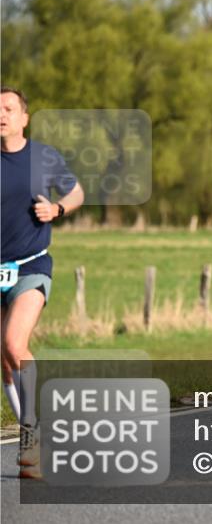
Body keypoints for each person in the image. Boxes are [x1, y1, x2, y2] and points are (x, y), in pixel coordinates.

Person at [1, 87, 84, 479]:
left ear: (24, 117)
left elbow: (77, 191)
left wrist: (57, 208)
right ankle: (35, 439)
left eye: (8, 108)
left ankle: (32, 434)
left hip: (32, 263)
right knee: (3, 360)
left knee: (15, 344)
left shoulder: (42, 157)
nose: (2, 115)